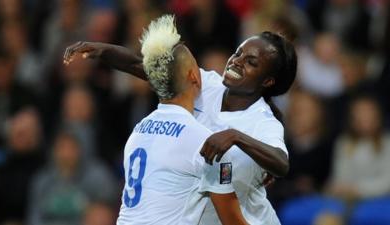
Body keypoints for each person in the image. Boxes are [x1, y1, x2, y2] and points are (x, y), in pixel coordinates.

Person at [64, 18, 297, 224]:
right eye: (238, 53)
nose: (237, 61)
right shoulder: (207, 84)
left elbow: (281, 163)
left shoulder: (262, 121)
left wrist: (235, 136)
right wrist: (103, 51)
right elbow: (142, 67)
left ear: (268, 81)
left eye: (251, 62)